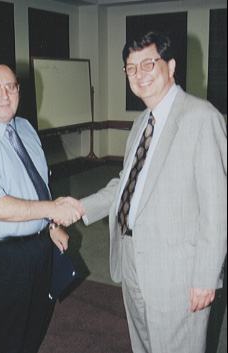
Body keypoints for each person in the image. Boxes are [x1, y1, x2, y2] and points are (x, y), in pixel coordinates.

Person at [65, 32, 227, 352]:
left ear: (171, 65)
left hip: (178, 271)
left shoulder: (202, 118)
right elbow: (126, 184)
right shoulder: (141, 122)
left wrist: (207, 277)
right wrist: (79, 206)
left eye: (148, 64)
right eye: (131, 68)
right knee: (144, 344)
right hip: (134, 260)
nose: (139, 74)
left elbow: (218, 208)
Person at [0, 64, 84, 353]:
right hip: (0, 255)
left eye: (11, 87)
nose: (5, 95)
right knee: (5, 335)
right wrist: (53, 209)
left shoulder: (25, 128)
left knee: (36, 323)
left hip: (39, 245)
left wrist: (52, 225)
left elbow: (36, 183)